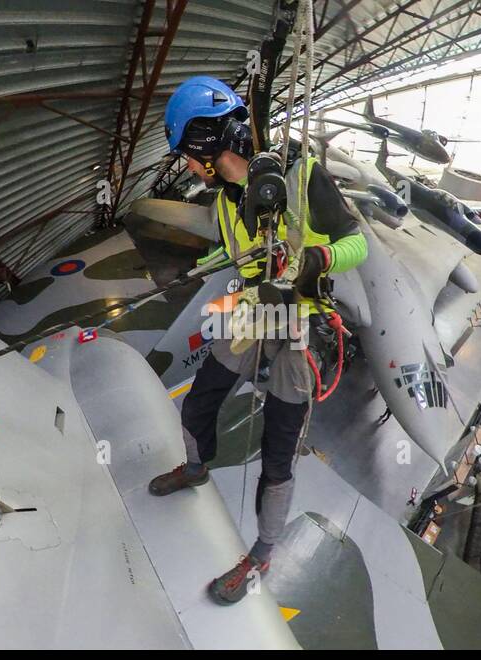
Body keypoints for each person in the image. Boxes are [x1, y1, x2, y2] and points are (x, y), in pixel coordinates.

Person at [148, 76, 368, 605]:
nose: (185, 165)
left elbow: (356, 240)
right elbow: (237, 256)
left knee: (278, 445)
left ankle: (263, 553)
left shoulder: (299, 174)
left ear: (203, 142)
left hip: (302, 315)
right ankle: (197, 467)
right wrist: (192, 269)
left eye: (185, 152)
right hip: (257, 310)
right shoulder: (224, 200)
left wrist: (319, 259)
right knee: (201, 398)